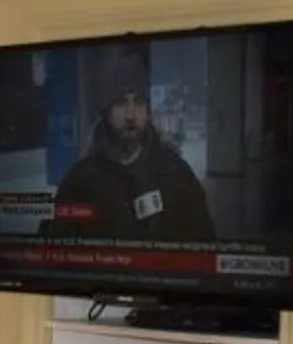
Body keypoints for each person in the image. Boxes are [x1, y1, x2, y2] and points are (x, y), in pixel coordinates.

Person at [46, 50, 214, 240]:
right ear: (107, 112)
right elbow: (60, 251)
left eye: (139, 103)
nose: (131, 115)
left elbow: (203, 244)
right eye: (120, 103)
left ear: (148, 111)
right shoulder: (79, 182)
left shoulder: (176, 175)